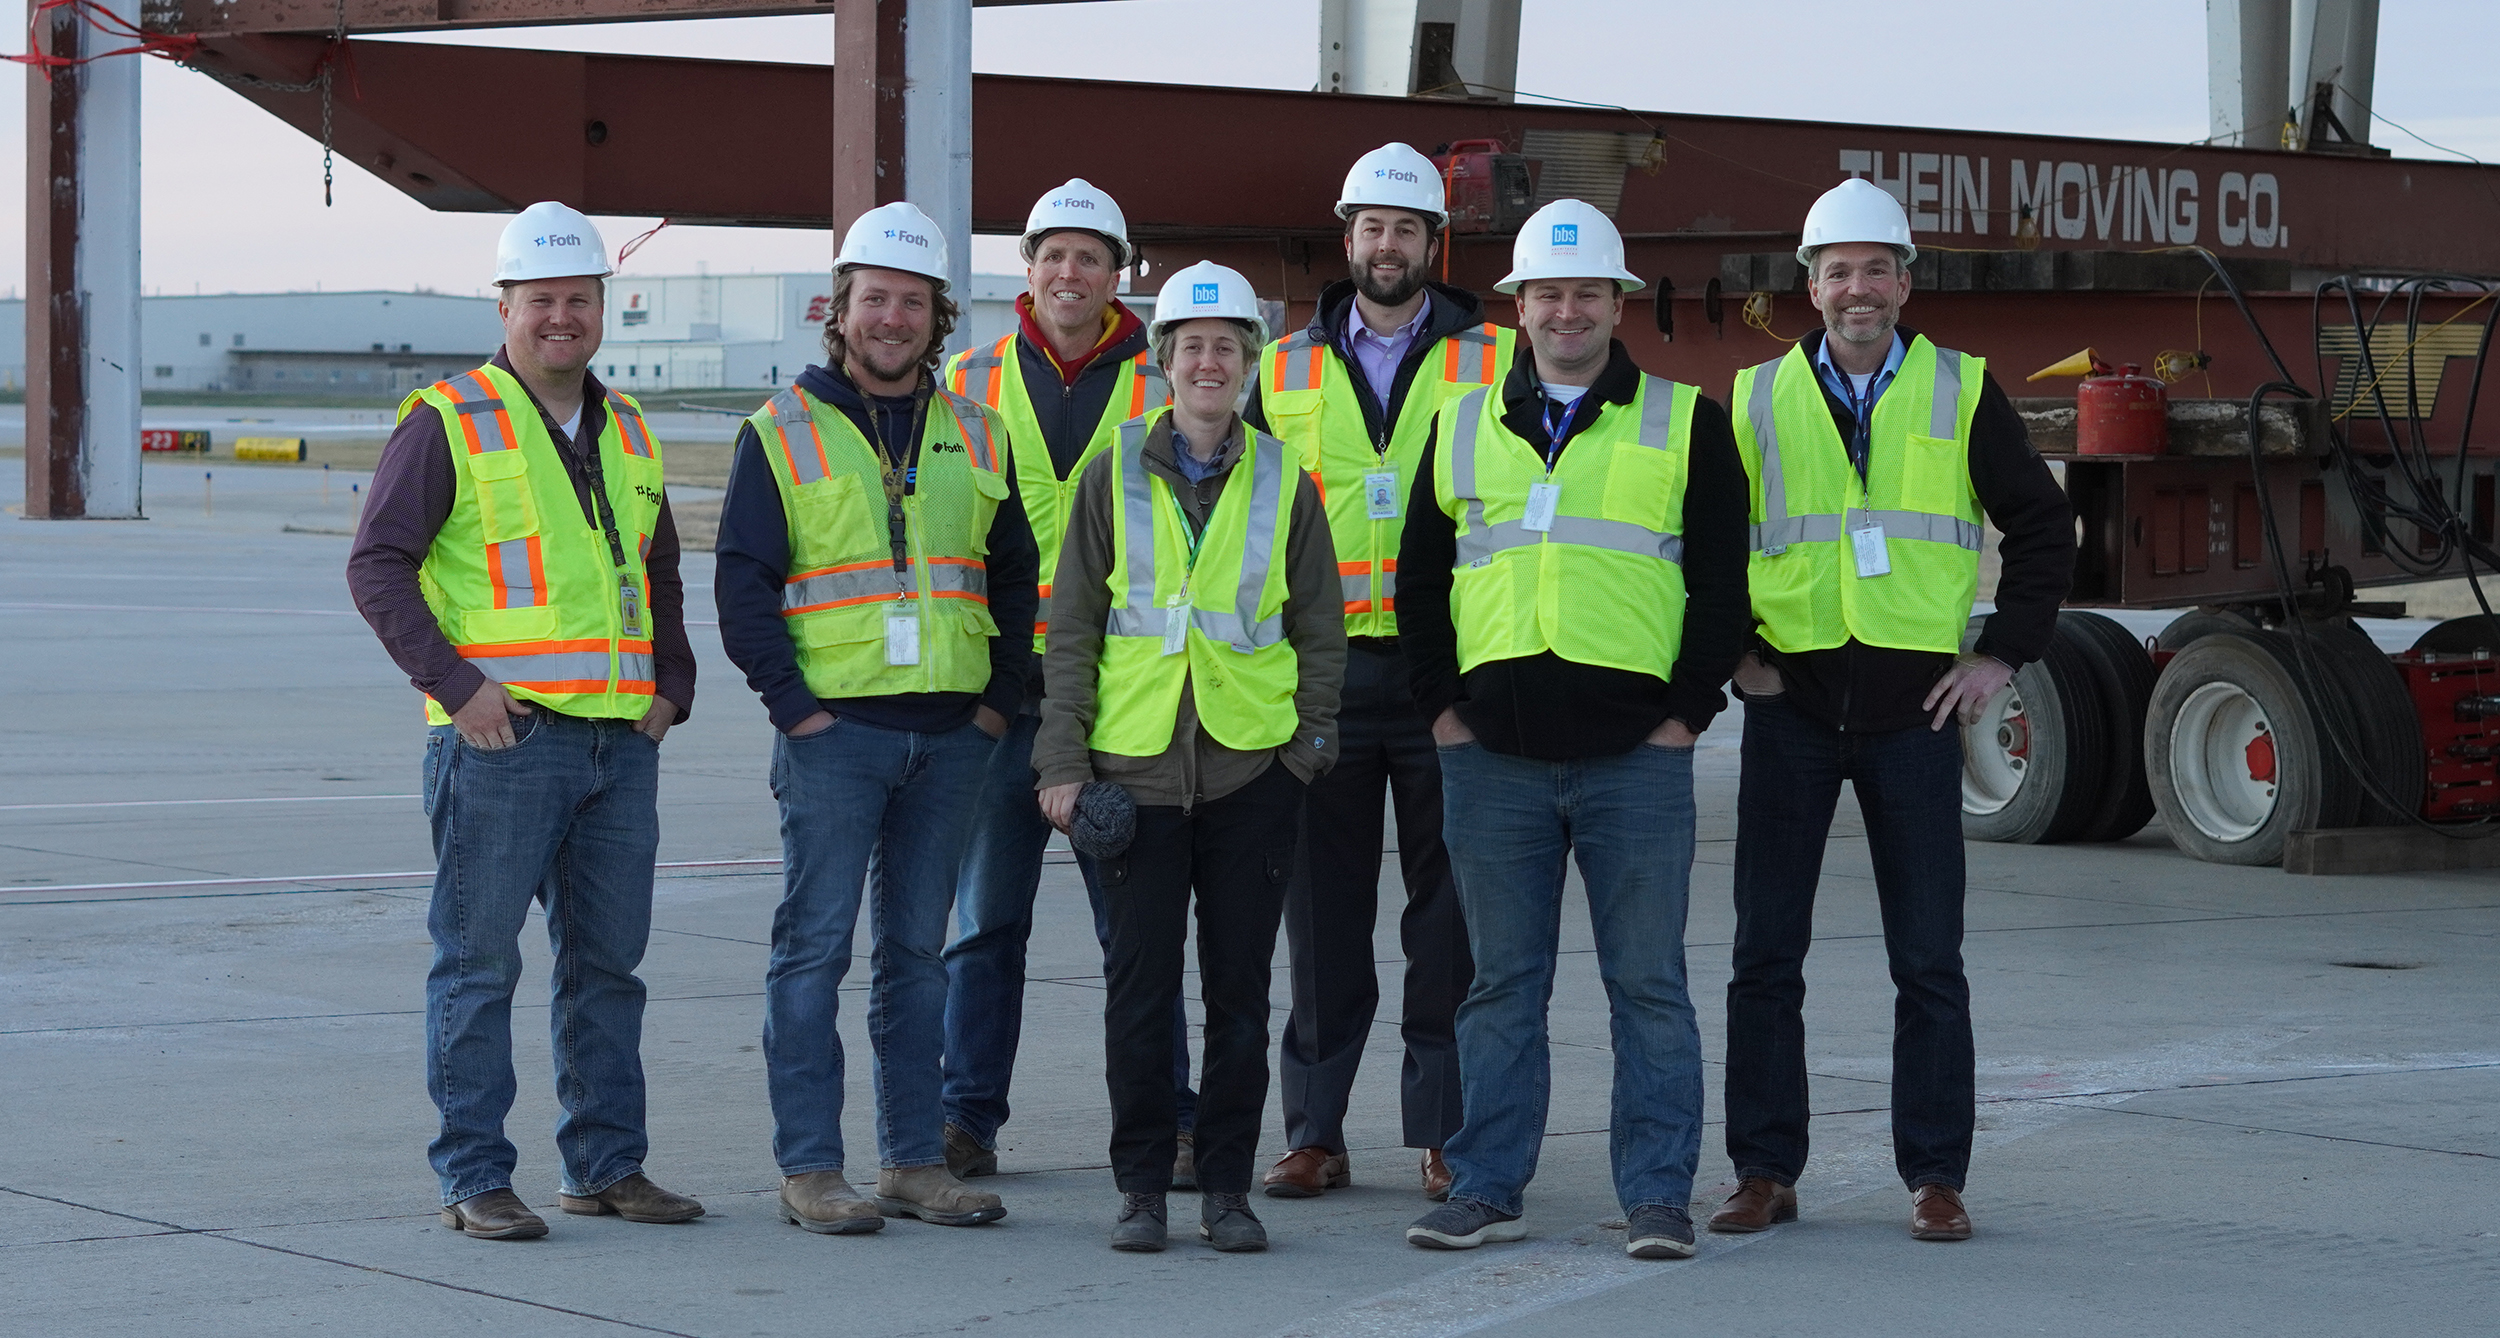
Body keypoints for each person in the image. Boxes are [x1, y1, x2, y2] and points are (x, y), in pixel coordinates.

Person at [1713, 178, 2074, 1243]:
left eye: (1877, 269)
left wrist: (2000, 654)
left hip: (1914, 710)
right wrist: (1738, 655)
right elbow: (1703, 540)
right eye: (1838, 271)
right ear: (1808, 285)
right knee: (1763, 955)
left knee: (1927, 957)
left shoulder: (1961, 389)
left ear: (1905, 283)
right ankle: (1763, 1171)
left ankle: (1934, 1178)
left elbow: (2042, 528)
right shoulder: (1751, 397)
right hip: (1790, 704)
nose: (1857, 289)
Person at [1395, 200, 1750, 1260]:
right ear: (1516, 306)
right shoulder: (1459, 421)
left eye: (1585, 291)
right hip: (1491, 756)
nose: (1565, 309)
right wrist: (1442, 713)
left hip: (1634, 757)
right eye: (1546, 292)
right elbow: (1419, 580)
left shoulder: (1685, 420)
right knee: (1500, 984)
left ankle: (1655, 1196)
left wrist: (1687, 716)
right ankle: (1487, 1183)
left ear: (1615, 303)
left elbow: (1722, 585)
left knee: (1647, 984)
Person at [348, 202, 702, 1240]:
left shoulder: (627, 427)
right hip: (504, 742)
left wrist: (670, 683)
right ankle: (473, 1174)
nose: (561, 318)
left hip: (618, 745)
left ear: (603, 307)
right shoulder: (447, 420)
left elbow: (659, 570)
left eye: (578, 300)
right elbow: (377, 567)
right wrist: (459, 687)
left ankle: (605, 1167)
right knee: (477, 962)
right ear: (504, 308)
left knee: (608, 969)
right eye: (540, 300)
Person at [714, 202, 1040, 1237]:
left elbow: (1017, 580)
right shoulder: (780, 432)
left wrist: (997, 706)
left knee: (915, 956)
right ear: (838, 310)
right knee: (812, 953)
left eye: (911, 301)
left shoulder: (979, 431)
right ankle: (812, 1169)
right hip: (835, 740)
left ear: (937, 315)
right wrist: (795, 711)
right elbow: (740, 585)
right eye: (873, 300)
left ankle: (909, 1160)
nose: (891, 318)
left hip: (952, 741)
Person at [1033, 261, 1345, 1254]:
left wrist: (1308, 748)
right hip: (1134, 773)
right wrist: (1063, 764)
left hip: (1254, 771)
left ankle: (1225, 1189)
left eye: (1227, 347)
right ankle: (1139, 1189)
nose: (1209, 362)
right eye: (1192, 347)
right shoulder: (1112, 468)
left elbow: (1320, 629)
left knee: (1241, 998)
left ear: (1251, 365)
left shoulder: (1284, 478)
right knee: (1139, 995)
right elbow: (1073, 624)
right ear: (1164, 363)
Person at [1243, 143, 1512, 1203]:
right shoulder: (1283, 367)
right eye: (1371, 226)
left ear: (1432, 243)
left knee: (1448, 916)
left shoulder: (1495, 359)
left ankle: (1442, 1131)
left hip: (1448, 670)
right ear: (1346, 235)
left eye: (1406, 228)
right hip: (1322, 673)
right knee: (1320, 914)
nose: (1386, 244)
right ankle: (1314, 1130)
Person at [935, 181, 1200, 1187]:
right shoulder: (962, 378)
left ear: (1119, 272)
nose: (1070, 274)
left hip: (1118, 704)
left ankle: (1169, 1121)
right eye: (1054, 254)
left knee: (1134, 932)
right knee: (983, 925)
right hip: (998, 700)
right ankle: (964, 1122)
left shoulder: (1165, 381)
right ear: (1028, 264)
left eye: (1091, 257)